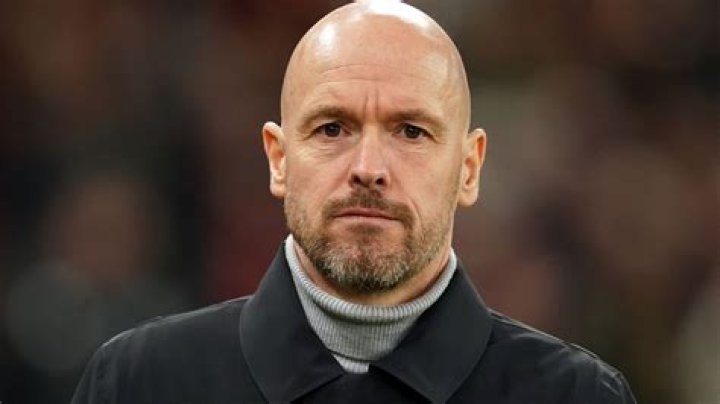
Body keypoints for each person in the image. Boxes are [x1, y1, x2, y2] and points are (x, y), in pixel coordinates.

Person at [72, 1, 636, 402]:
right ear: (278, 160)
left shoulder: (575, 396)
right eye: (332, 128)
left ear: (469, 169)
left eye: (411, 131)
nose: (369, 168)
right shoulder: (139, 383)